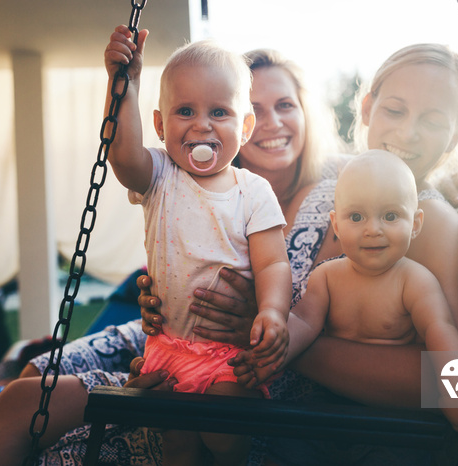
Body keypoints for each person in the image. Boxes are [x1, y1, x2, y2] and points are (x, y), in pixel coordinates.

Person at [0, 39, 458, 466]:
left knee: (32, 414)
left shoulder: (429, 221)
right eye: (396, 110)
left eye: (432, 120)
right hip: (194, 355)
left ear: (455, 133)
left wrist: (266, 333)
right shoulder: (339, 184)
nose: (405, 132)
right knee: (29, 393)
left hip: (265, 410)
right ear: (367, 108)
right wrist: (169, 285)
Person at [109, 26, 294, 465]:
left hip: (228, 353)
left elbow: (273, 266)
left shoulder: (253, 192)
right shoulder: (159, 176)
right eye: (185, 110)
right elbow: (121, 156)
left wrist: (271, 311)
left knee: (224, 433)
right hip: (167, 345)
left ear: (244, 127)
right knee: (177, 444)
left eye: (219, 112)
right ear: (159, 124)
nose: (201, 125)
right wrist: (124, 85)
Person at [232, 150, 458, 433]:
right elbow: (304, 321)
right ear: (337, 225)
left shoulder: (415, 281)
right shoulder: (327, 276)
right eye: (356, 217)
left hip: (393, 418)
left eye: (390, 216)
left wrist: (456, 393)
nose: (373, 230)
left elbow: (440, 331)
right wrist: (273, 354)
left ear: (415, 225)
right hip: (324, 406)